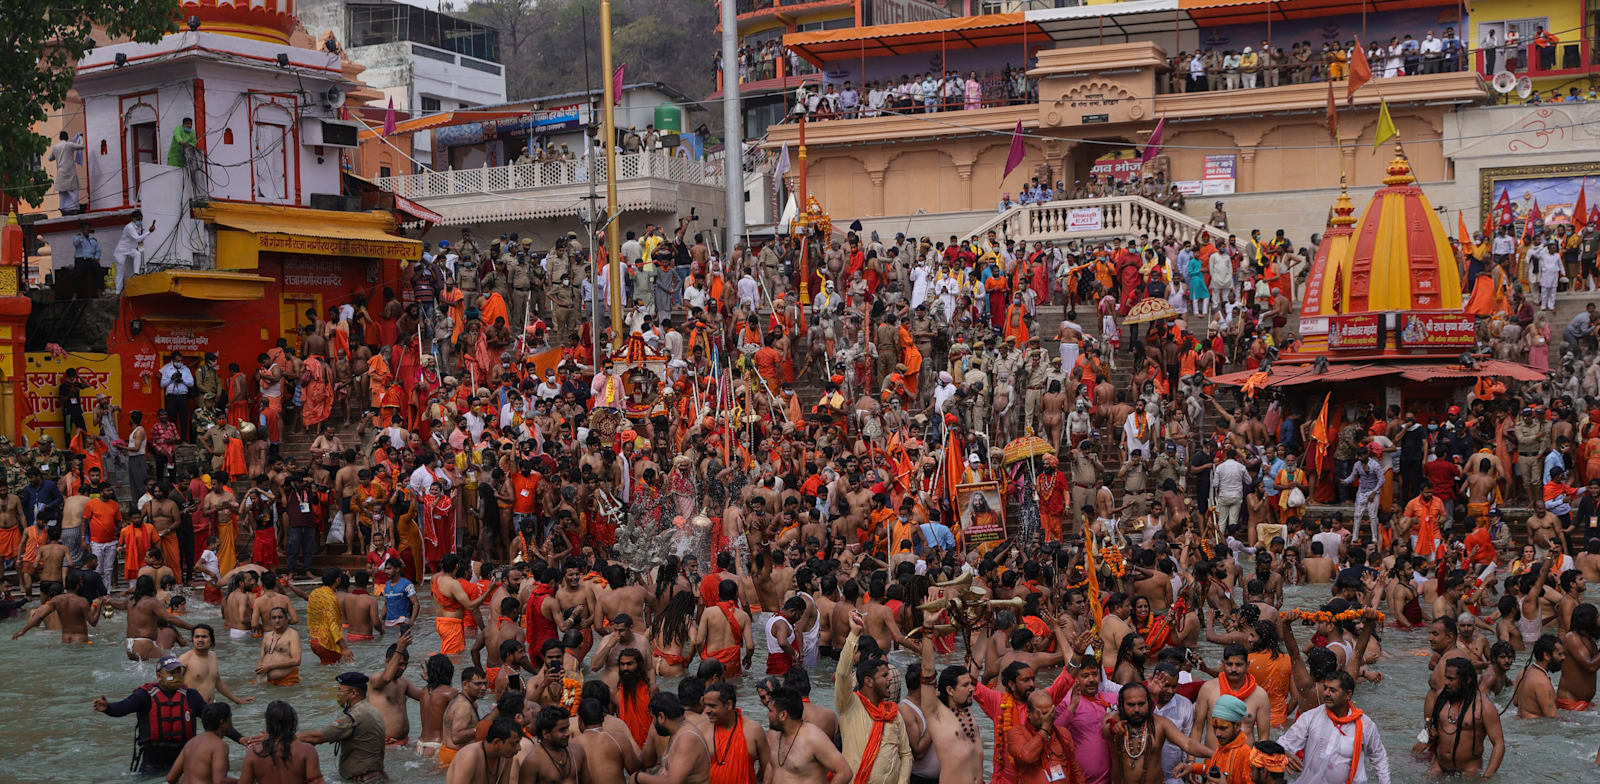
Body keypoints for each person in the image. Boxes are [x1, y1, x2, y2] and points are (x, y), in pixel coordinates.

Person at [92, 655, 242, 775]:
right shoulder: (144, 695)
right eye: (171, 673)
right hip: (152, 763)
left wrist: (240, 738)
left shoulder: (191, 696)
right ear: (159, 676)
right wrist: (108, 707)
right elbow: (123, 708)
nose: (176, 675)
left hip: (185, 761)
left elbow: (216, 720)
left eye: (178, 671)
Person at [1278, 670, 1391, 784]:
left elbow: (1379, 758)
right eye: (1325, 688)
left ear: (1348, 695)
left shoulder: (1365, 725)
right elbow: (1283, 743)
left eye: (1332, 690)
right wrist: (1284, 753)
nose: (1326, 693)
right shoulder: (1311, 717)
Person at [298, 671, 388, 782]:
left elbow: (317, 737)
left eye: (340, 690)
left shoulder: (353, 717)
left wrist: (285, 738)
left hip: (360, 780)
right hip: (377, 777)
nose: (338, 694)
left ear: (353, 693)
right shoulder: (372, 710)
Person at [240, 700, 323, 784]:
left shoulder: (253, 753)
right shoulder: (307, 750)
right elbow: (317, 782)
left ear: (268, 723)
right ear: (293, 721)